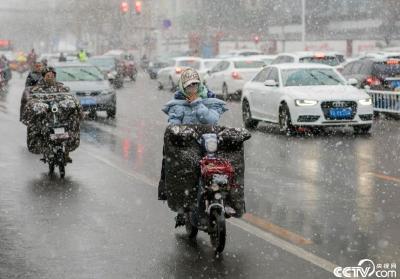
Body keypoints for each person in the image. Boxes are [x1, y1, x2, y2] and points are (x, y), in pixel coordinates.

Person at [158, 68, 227, 227]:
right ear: (183, 87)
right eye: (189, 86)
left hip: (209, 147)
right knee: (186, 176)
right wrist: (178, 132)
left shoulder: (211, 101)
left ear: (200, 84)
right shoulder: (177, 106)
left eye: (195, 85)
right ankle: (186, 210)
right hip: (187, 149)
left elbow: (211, 120)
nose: (192, 89)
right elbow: (173, 126)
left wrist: (197, 104)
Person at [27, 67, 81, 163]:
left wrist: (70, 103)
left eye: (52, 75)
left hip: (60, 115)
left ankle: (67, 151)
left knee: (72, 121)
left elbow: (69, 96)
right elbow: (32, 99)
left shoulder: (61, 87)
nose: (50, 77)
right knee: (38, 126)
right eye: (48, 75)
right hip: (46, 115)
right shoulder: (37, 88)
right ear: (44, 76)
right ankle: (44, 148)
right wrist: (39, 105)